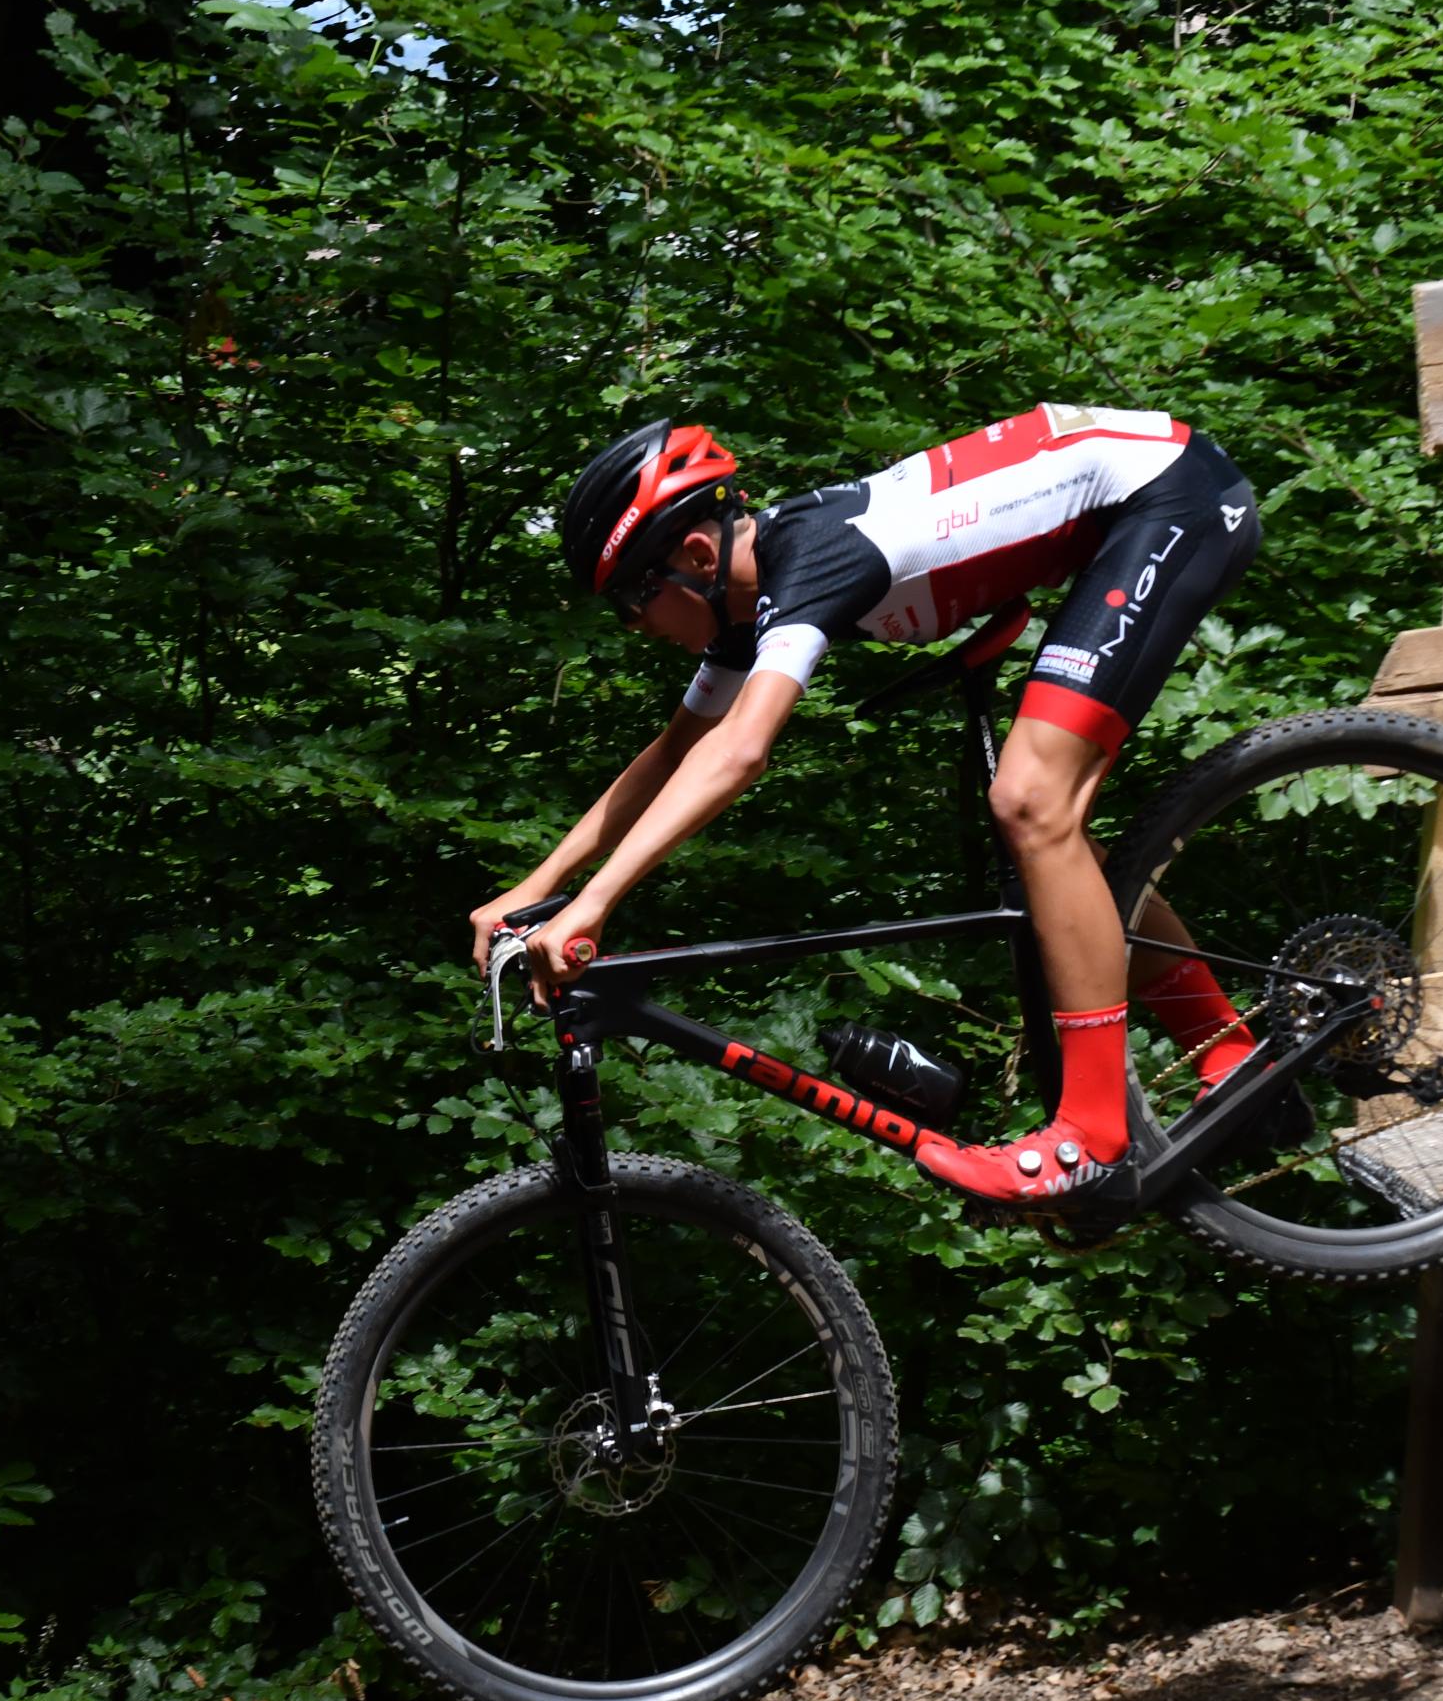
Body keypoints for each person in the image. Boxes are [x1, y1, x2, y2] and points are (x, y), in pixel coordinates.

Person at [471, 407, 1268, 1211]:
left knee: (1031, 801)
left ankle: (1091, 1136)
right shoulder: (746, 607)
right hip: (1128, 506)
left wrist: (597, 904)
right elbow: (674, 754)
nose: (635, 627)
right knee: (1049, 839)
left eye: (632, 598)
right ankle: (1230, 1056)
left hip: (1169, 493)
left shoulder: (811, 557)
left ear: (698, 557)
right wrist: (540, 886)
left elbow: (741, 751)